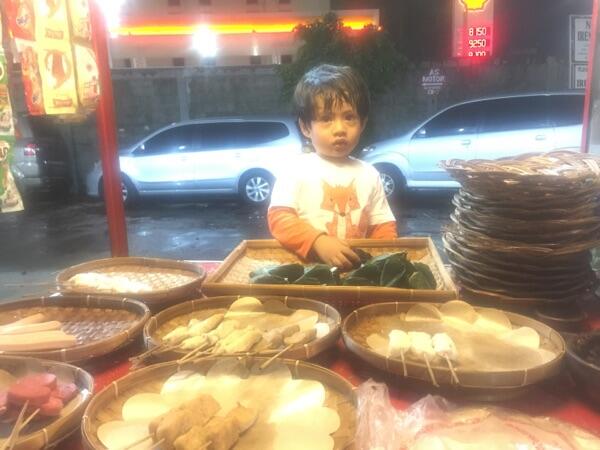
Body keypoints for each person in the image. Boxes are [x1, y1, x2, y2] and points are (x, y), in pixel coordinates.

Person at [268, 64, 397, 270]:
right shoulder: (295, 169)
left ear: (362, 123)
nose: (339, 129)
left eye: (349, 117)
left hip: (357, 274)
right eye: (326, 119)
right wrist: (319, 241)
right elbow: (280, 218)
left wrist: (385, 260)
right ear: (305, 127)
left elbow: (382, 227)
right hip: (308, 273)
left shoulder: (369, 174)